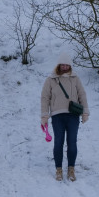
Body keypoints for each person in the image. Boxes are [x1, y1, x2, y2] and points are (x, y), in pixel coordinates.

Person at [40, 52, 89, 182]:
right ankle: (59, 169)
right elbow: (45, 98)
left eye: (67, 65)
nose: (65, 67)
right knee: (58, 142)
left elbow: (82, 95)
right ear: (59, 65)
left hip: (73, 115)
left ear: (70, 66)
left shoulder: (75, 78)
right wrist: (44, 115)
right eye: (63, 65)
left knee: (72, 142)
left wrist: (85, 112)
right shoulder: (51, 79)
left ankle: (71, 169)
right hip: (57, 116)